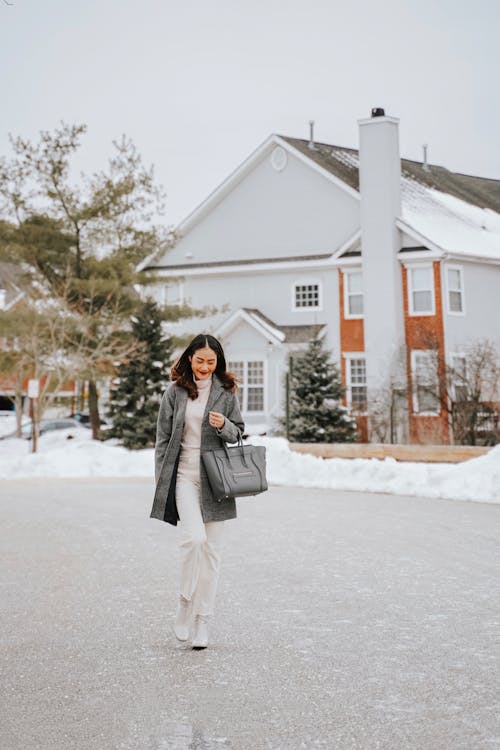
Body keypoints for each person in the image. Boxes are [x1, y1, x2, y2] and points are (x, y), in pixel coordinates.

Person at [150, 334, 244, 650]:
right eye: (200, 359)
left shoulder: (226, 392)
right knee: (194, 539)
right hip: (184, 477)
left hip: (216, 481)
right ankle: (184, 603)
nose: (205, 367)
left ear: (218, 363)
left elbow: (238, 433)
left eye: (211, 361)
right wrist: (161, 476)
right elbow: (162, 439)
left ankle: (204, 622)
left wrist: (223, 426)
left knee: (212, 555)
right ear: (189, 358)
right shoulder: (175, 392)